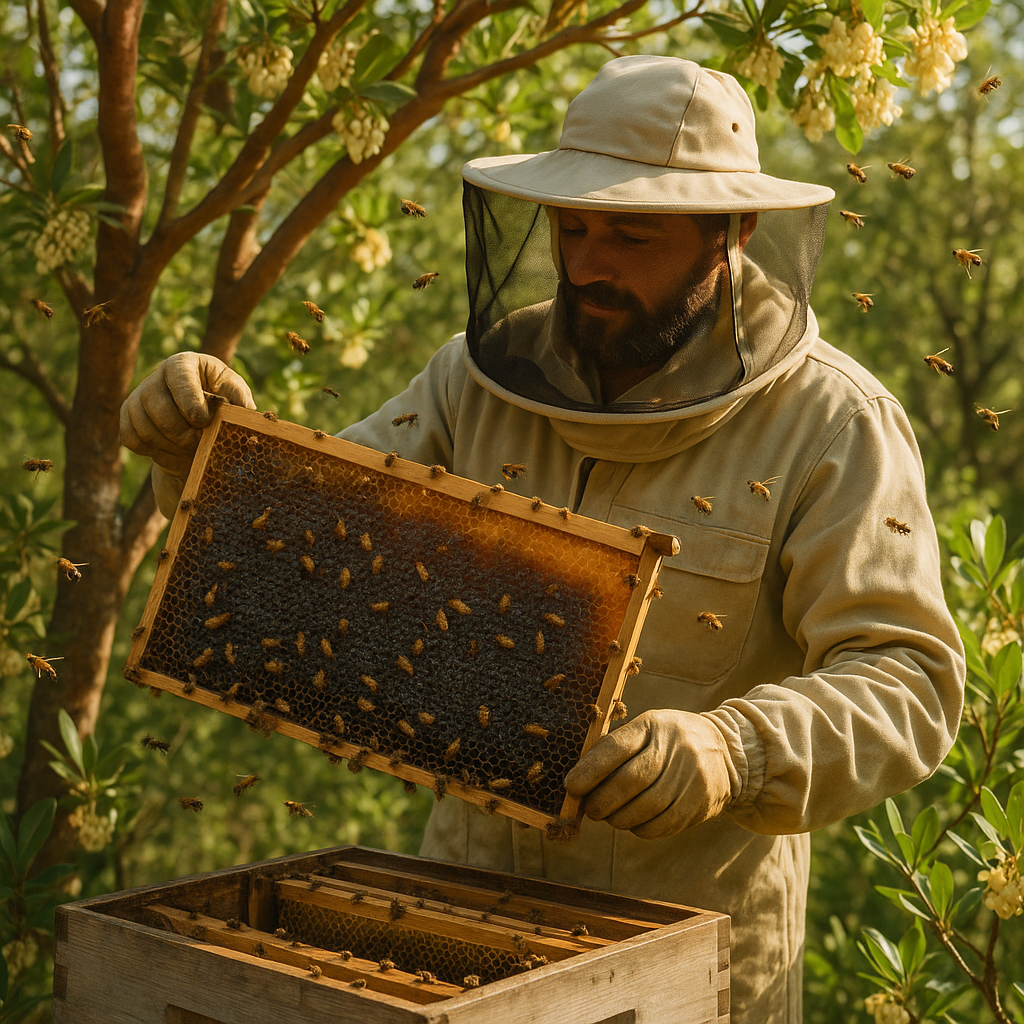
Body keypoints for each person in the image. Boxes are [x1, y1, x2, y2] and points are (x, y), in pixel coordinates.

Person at [120, 56, 965, 1023]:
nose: (587, 265)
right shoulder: (474, 380)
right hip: (456, 920)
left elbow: (910, 679)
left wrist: (735, 749)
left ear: (733, 233)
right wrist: (196, 456)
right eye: (573, 227)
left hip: (690, 952)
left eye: (633, 236)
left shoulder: (832, 423)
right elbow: (309, 548)